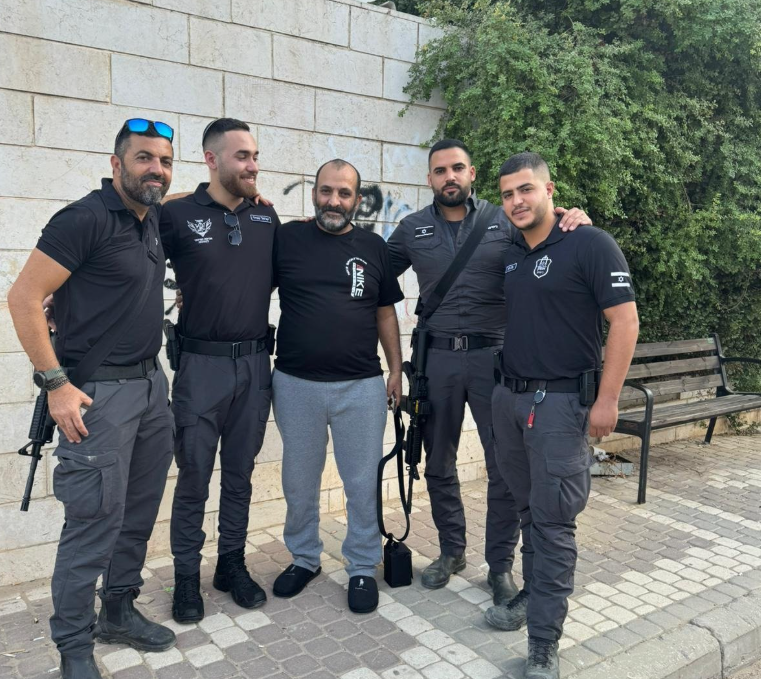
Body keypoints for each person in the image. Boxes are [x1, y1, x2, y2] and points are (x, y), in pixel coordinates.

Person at [7, 120, 178, 679]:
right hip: (97, 397)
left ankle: (119, 612)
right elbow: (24, 298)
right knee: (92, 525)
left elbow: (182, 198)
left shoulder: (149, 216)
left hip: (151, 389)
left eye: (164, 161)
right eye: (144, 158)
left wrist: (250, 194)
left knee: (136, 514)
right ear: (116, 164)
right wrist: (55, 385)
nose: (156, 169)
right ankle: (74, 649)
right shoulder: (83, 219)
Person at [386, 139, 590, 602]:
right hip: (436, 361)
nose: (449, 177)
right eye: (440, 170)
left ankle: (500, 566)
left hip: (494, 360)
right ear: (430, 178)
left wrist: (574, 219)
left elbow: (550, 243)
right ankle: (451, 550)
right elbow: (372, 270)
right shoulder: (412, 228)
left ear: (472, 173)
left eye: (457, 168)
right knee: (438, 461)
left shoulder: (504, 220)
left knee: (504, 467)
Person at [486, 152, 639, 679]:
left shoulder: (589, 243)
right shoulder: (510, 251)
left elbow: (625, 322)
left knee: (553, 525)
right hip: (510, 402)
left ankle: (543, 644)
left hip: (559, 407)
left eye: (526, 189)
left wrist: (607, 400)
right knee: (529, 512)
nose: (516, 201)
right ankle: (532, 596)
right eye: (507, 194)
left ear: (550, 190)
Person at [271, 159, 404, 614]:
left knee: (361, 482)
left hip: (361, 387)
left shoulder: (373, 247)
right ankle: (304, 558)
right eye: (326, 191)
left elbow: (385, 312)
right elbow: (245, 282)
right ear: (314, 193)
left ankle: (362, 565)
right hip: (295, 385)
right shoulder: (286, 238)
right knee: (299, 481)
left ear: (357, 200)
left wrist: (396, 370)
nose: (334, 200)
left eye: (344, 193)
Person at [159, 118, 279, 623]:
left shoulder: (266, 217)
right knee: (193, 478)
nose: (253, 165)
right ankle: (186, 576)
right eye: (242, 157)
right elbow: (127, 237)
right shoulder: (176, 215)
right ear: (211, 159)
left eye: (255, 156)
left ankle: (231, 564)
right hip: (200, 368)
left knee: (240, 475)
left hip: (254, 366)